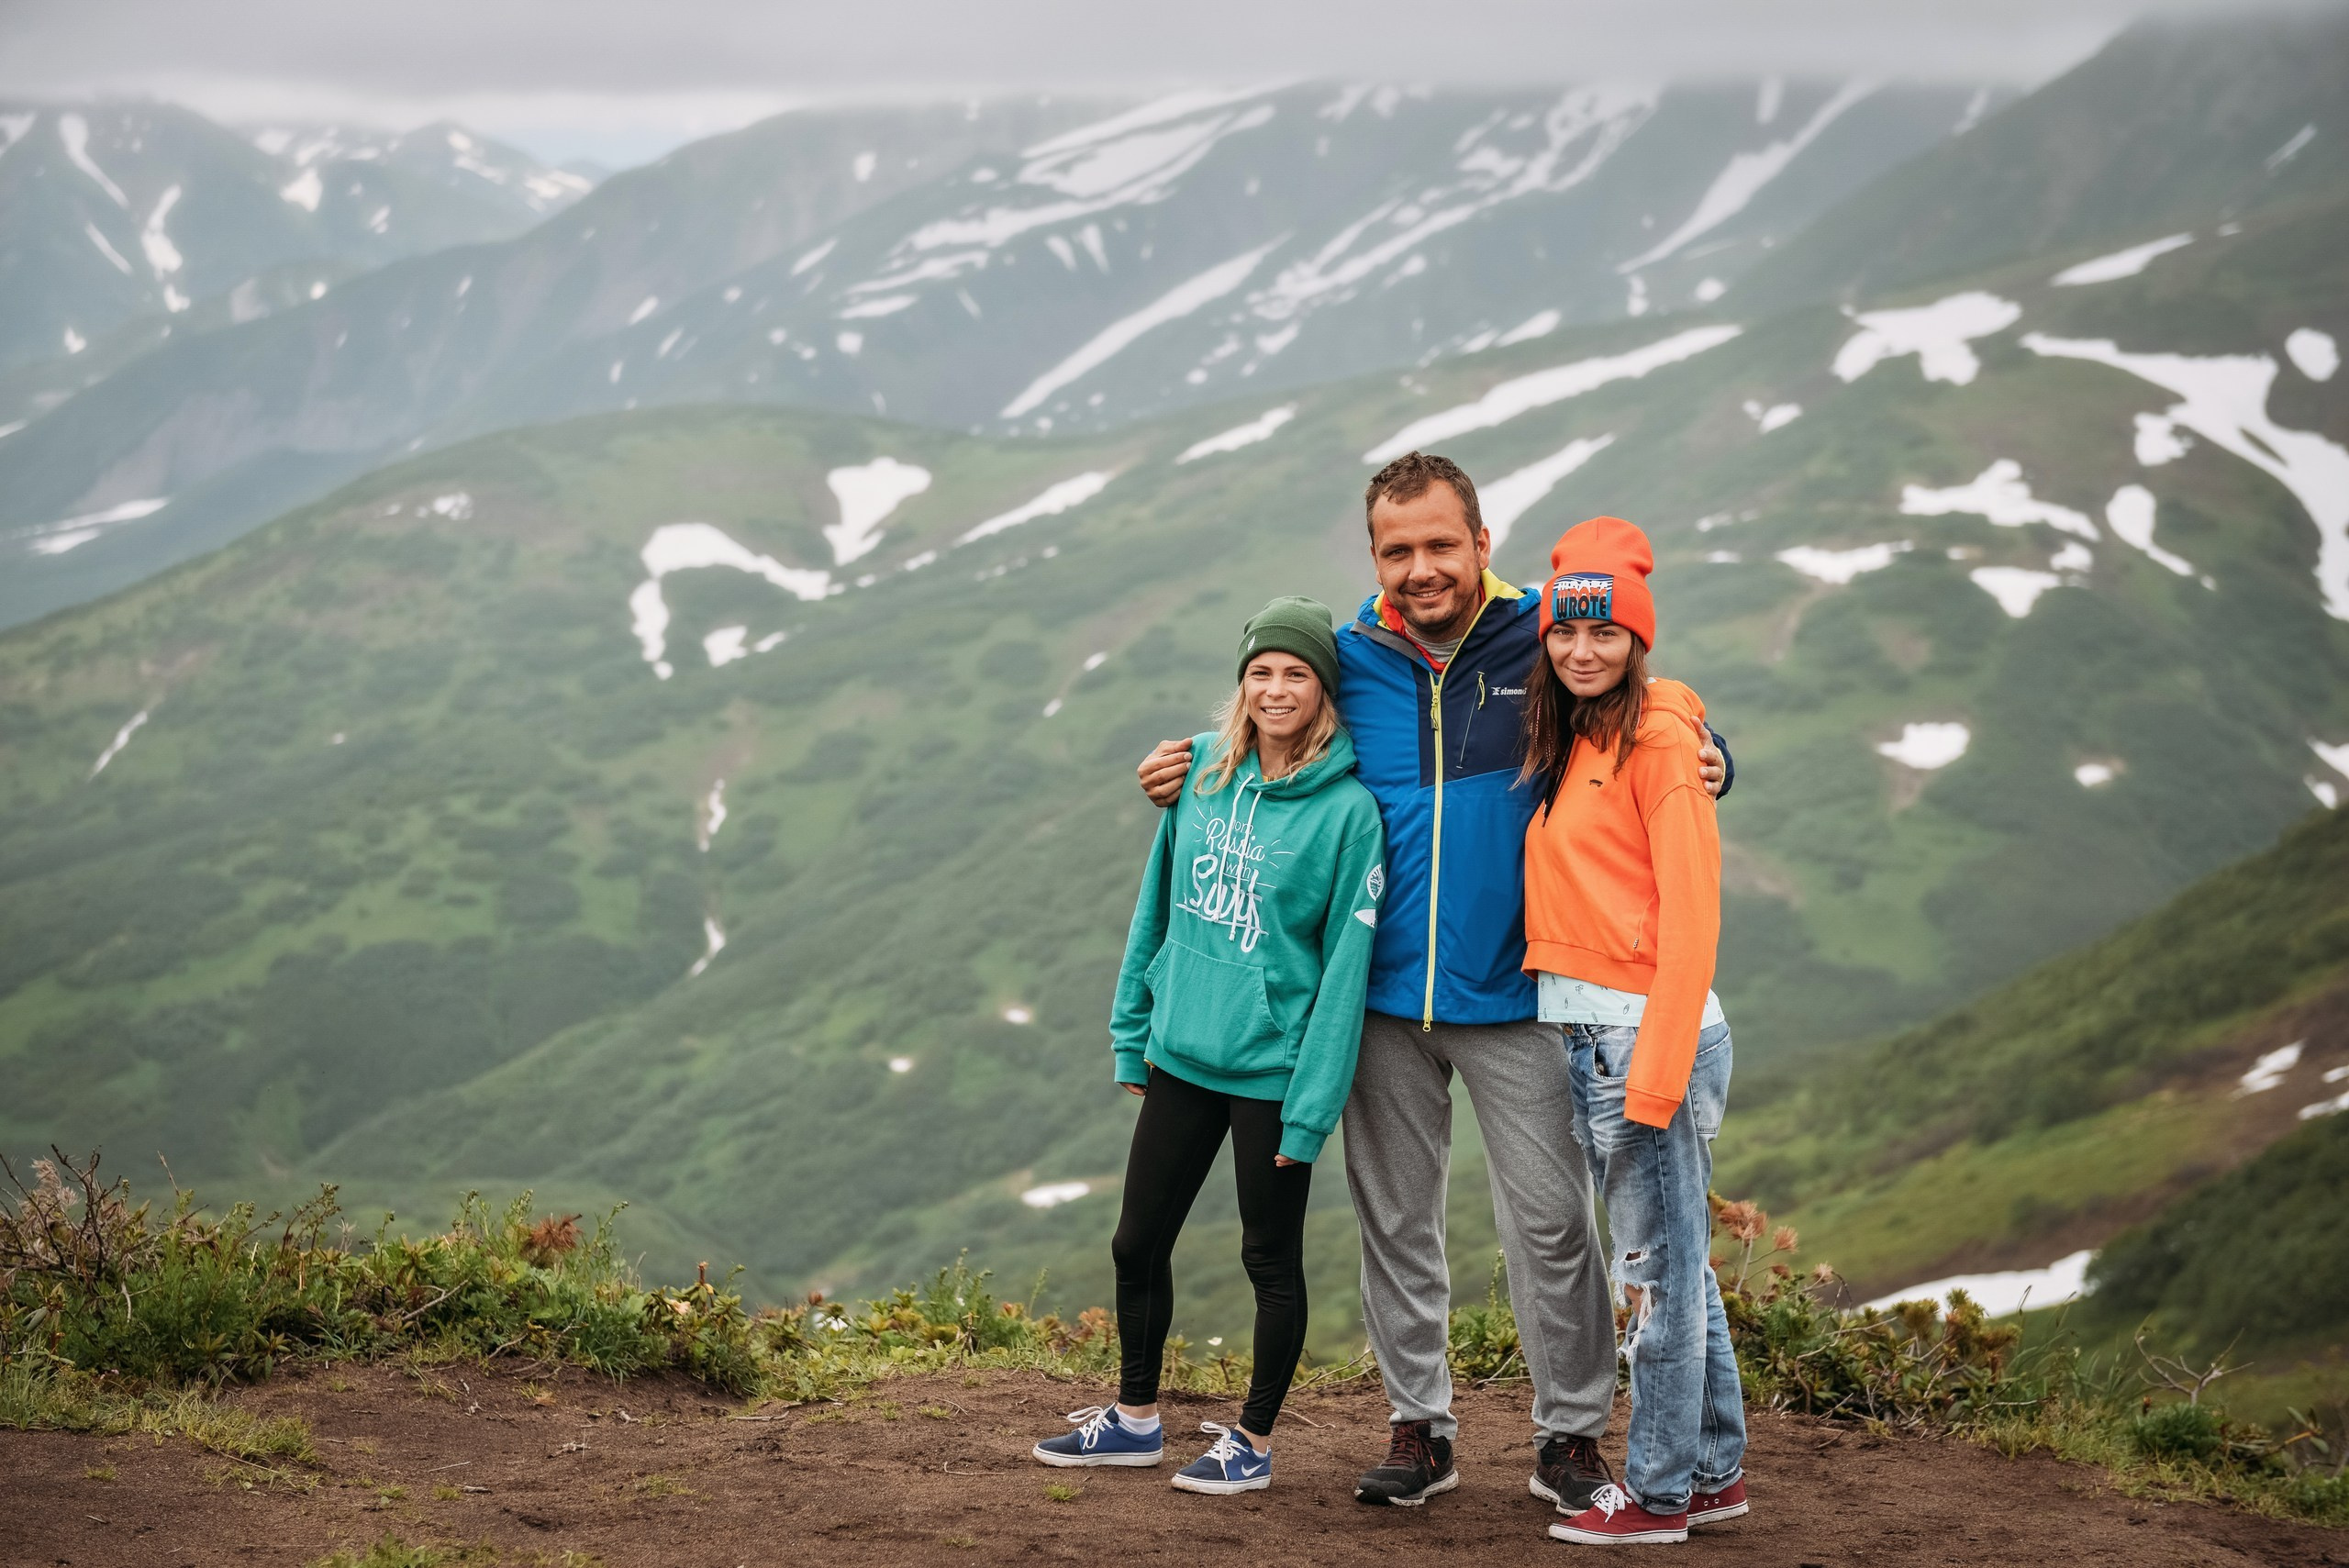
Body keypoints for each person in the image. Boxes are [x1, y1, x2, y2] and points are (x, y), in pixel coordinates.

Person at [1137, 454, 1731, 1511]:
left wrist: (1709, 744)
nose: (1420, 568)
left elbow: (1635, 685)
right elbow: (1275, 719)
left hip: (1517, 992)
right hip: (1372, 994)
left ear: (1480, 542)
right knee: (1393, 1217)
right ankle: (1420, 1425)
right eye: (1396, 549)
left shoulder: (1537, 633)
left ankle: (1569, 1433)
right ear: (1374, 556)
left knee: (1551, 1224)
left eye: (1438, 545)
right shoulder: (1353, 652)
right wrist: (1186, 759)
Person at [1036, 596, 1386, 1495]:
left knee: (1267, 1258)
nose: (1275, 687)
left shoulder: (1347, 814)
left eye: (1295, 673)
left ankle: (1254, 1440)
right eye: (1260, 670)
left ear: (1323, 690)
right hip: (1182, 1052)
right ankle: (1134, 1419)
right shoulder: (1199, 770)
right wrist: (1131, 1032)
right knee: (1135, 1241)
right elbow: (1154, 908)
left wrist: (1311, 1109)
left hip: (1272, 1068)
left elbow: (1344, 970)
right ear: (1242, 681)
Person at [1518, 517, 1747, 1546]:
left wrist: (1651, 1076)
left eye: (1604, 633)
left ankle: (1655, 1497)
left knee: (1651, 1275)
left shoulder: (1657, 736)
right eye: (1566, 632)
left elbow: (1693, 914)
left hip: (1639, 1039)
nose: (1581, 649)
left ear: (1635, 638)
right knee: (1683, 1263)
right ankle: (1713, 1472)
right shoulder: (1579, 731)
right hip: (1597, 1034)